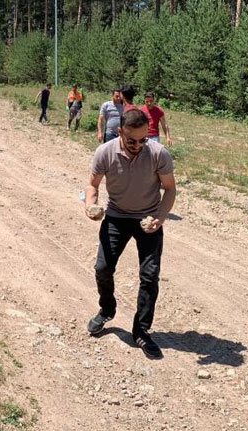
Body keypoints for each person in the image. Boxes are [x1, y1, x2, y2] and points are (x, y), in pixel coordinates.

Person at [84, 109, 177, 360]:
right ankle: (107, 310)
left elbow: (169, 190)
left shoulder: (158, 153)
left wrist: (160, 217)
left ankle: (142, 330)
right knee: (103, 268)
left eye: (143, 139)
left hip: (148, 220)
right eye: (131, 140)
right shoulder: (105, 152)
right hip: (116, 217)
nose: (138, 145)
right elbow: (92, 185)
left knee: (149, 276)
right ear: (119, 132)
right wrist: (91, 205)